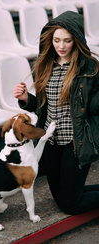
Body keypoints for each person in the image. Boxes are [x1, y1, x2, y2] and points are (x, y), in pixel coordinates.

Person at [13, 11, 99, 215]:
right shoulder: (43, 66)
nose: (61, 46)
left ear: (76, 41)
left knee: (69, 205)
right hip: (50, 142)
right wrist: (26, 99)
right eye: (57, 40)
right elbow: (44, 106)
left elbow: (93, 109)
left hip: (75, 143)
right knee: (63, 197)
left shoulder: (89, 69)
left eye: (67, 41)